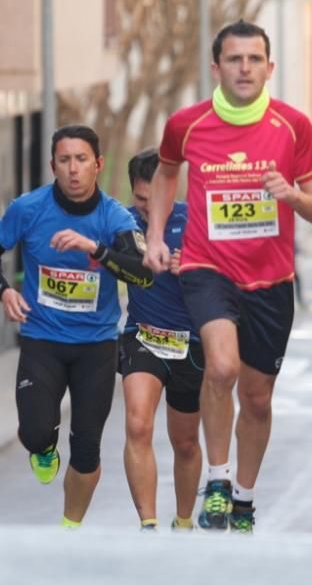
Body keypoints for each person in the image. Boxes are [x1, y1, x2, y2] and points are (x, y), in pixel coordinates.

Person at [144, 20, 312, 533]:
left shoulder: (294, 126)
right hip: (207, 268)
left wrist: (290, 195)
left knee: (258, 398)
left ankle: (245, 497)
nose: (244, 68)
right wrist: (157, 237)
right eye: (234, 59)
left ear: (269, 67)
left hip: (271, 279)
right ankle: (219, 481)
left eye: (253, 60)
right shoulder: (188, 124)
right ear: (216, 67)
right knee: (220, 366)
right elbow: (164, 174)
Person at [0, 124, 154, 529]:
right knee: (37, 433)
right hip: (43, 340)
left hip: (96, 347)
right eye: (64, 160)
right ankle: (44, 448)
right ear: (52, 165)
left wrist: (94, 248)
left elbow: (144, 274)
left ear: (98, 164)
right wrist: (5, 290)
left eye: (81, 160)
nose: (73, 169)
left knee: (87, 450)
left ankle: (69, 527)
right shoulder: (29, 208)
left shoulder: (113, 217)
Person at [120, 148, 204, 532]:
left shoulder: (195, 220)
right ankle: (148, 526)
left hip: (192, 343)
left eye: (155, 199)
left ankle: (183, 521)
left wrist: (191, 264)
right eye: (140, 200)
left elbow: (229, 276)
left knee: (185, 442)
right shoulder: (123, 225)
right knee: (138, 426)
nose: (147, 208)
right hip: (143, 335)